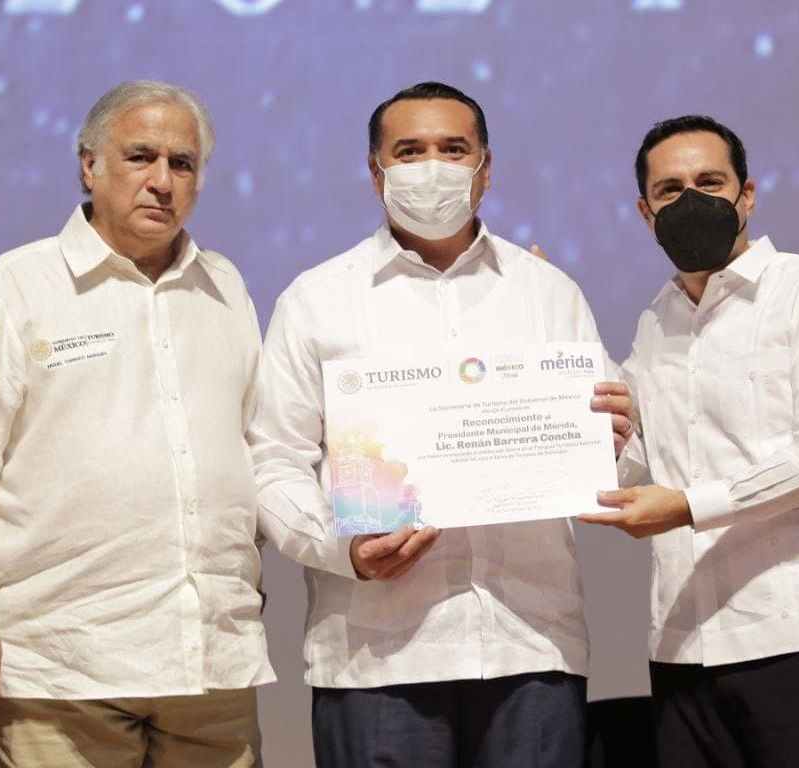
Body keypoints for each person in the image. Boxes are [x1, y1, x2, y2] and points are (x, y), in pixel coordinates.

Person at [248, 81, 633, 768]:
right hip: (376, 655)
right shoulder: (316, 300)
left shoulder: (547, 293)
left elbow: (617, 454)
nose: (432, 168)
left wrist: (615, 442)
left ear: (485, 168)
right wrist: (344, 550)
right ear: (376, 172)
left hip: (531, 645)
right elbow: (272, 460)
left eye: (453, 149)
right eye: (409, 151)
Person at [0, 80, 268, 767]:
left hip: (209, 660)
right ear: (89, 165)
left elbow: (260, 452)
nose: (161, 180)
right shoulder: (14, 289)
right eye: (140, 156)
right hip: (61, 663)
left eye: (182, 163)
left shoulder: (225, 289)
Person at [580, 114, 799, 767]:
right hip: (684, 650)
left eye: (709, 182)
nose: (690, 200)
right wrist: (549, 331)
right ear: (645, 212)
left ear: (746, 195)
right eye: (669, 190)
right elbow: (635, 457)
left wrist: (687, 506)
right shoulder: (657, 321)